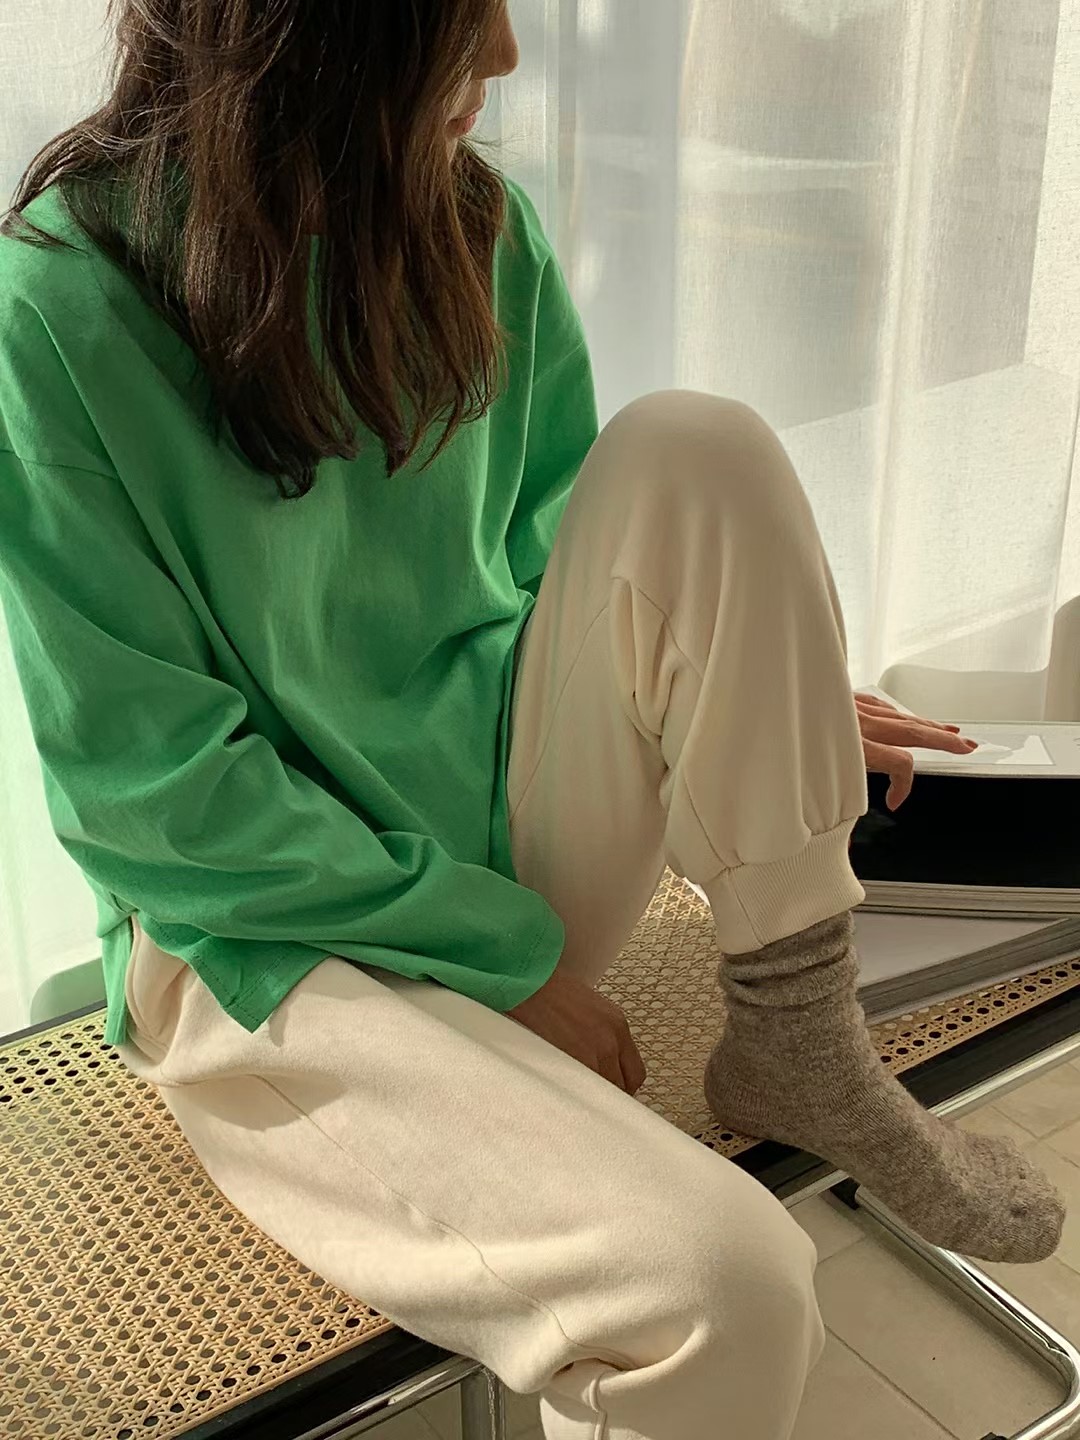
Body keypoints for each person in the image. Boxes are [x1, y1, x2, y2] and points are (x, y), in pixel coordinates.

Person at [0, 3, 1062, 1437]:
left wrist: (758, 686)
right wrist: (496, 960)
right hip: (267, 942)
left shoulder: (473, 226)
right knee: (731, 1291)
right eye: (462, 13)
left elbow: (566, 573)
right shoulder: (58, 309)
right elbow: (154, 799)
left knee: (699, 441)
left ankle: (799, 1032)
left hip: (507, 828)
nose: (504, 54)